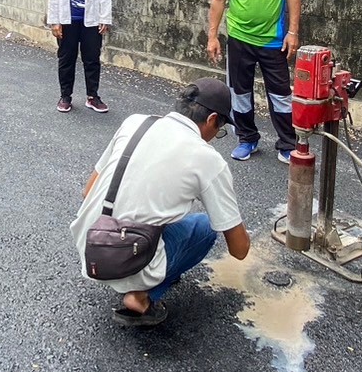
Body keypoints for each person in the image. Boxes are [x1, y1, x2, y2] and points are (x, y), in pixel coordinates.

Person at [70, 78, 251, 327]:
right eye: (218, 131)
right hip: (126, 255)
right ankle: (141, 295)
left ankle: (138, 275)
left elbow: (88, 191)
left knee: (151, 212)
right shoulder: (207, 158)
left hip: (89, 245)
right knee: (204, 226)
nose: (213, 137)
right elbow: (239, 250)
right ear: (211, 120)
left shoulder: (135, 122)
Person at [206, 0, 307, 164]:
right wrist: (213, 36)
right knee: (239, 93)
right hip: (239, 37)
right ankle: (247, 138)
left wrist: (293, 32)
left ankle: (287, 143)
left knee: (281, 95)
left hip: (274, 40)